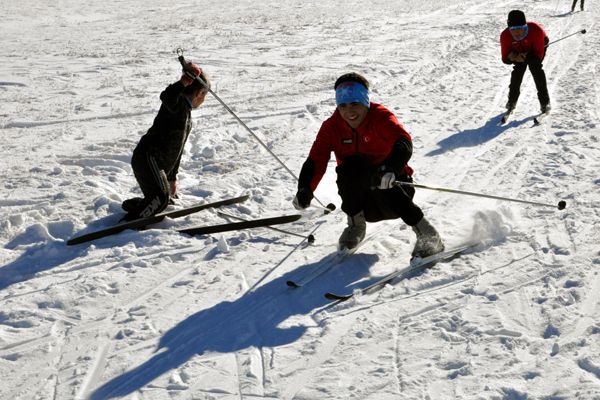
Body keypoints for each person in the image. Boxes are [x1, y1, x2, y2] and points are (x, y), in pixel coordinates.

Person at [292, 72, 444, 257]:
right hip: (364, 204)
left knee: (375, 171)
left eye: (355, 104)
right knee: (350, 168)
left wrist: (391, 169)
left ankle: (428, 234)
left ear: (365, 101)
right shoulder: (331, 127)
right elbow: (316, 159)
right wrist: (305, 188)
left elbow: (403, 142)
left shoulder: (380, 118)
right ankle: (355, 227)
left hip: (393, 190)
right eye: (343, 106)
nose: (349, 111)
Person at [121, 63, 210, 221]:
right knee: (160, 200)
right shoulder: (176, 104)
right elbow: (167, 95)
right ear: (199, 93)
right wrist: (183, 82)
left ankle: (137, 205)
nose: (203, 100)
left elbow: (178, 149)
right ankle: (132, 221)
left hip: (158, 166)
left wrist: (172, 178)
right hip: (147, 159)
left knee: (162, 198)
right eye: (205, 95)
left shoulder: (187, 116)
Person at [500, 10, 550, 114]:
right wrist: (512, 57)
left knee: (536, 68)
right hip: (518, 50)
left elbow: (538, 57)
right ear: (509, 28)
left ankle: (545, 101)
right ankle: (512, 101)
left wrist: (525, 57)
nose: (517, 32)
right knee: (518, 71)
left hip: (537, 46)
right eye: (513, 29)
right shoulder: (505, 36)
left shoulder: (536, 30)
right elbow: (505, 59)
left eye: (521, 28)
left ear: (525, 26)